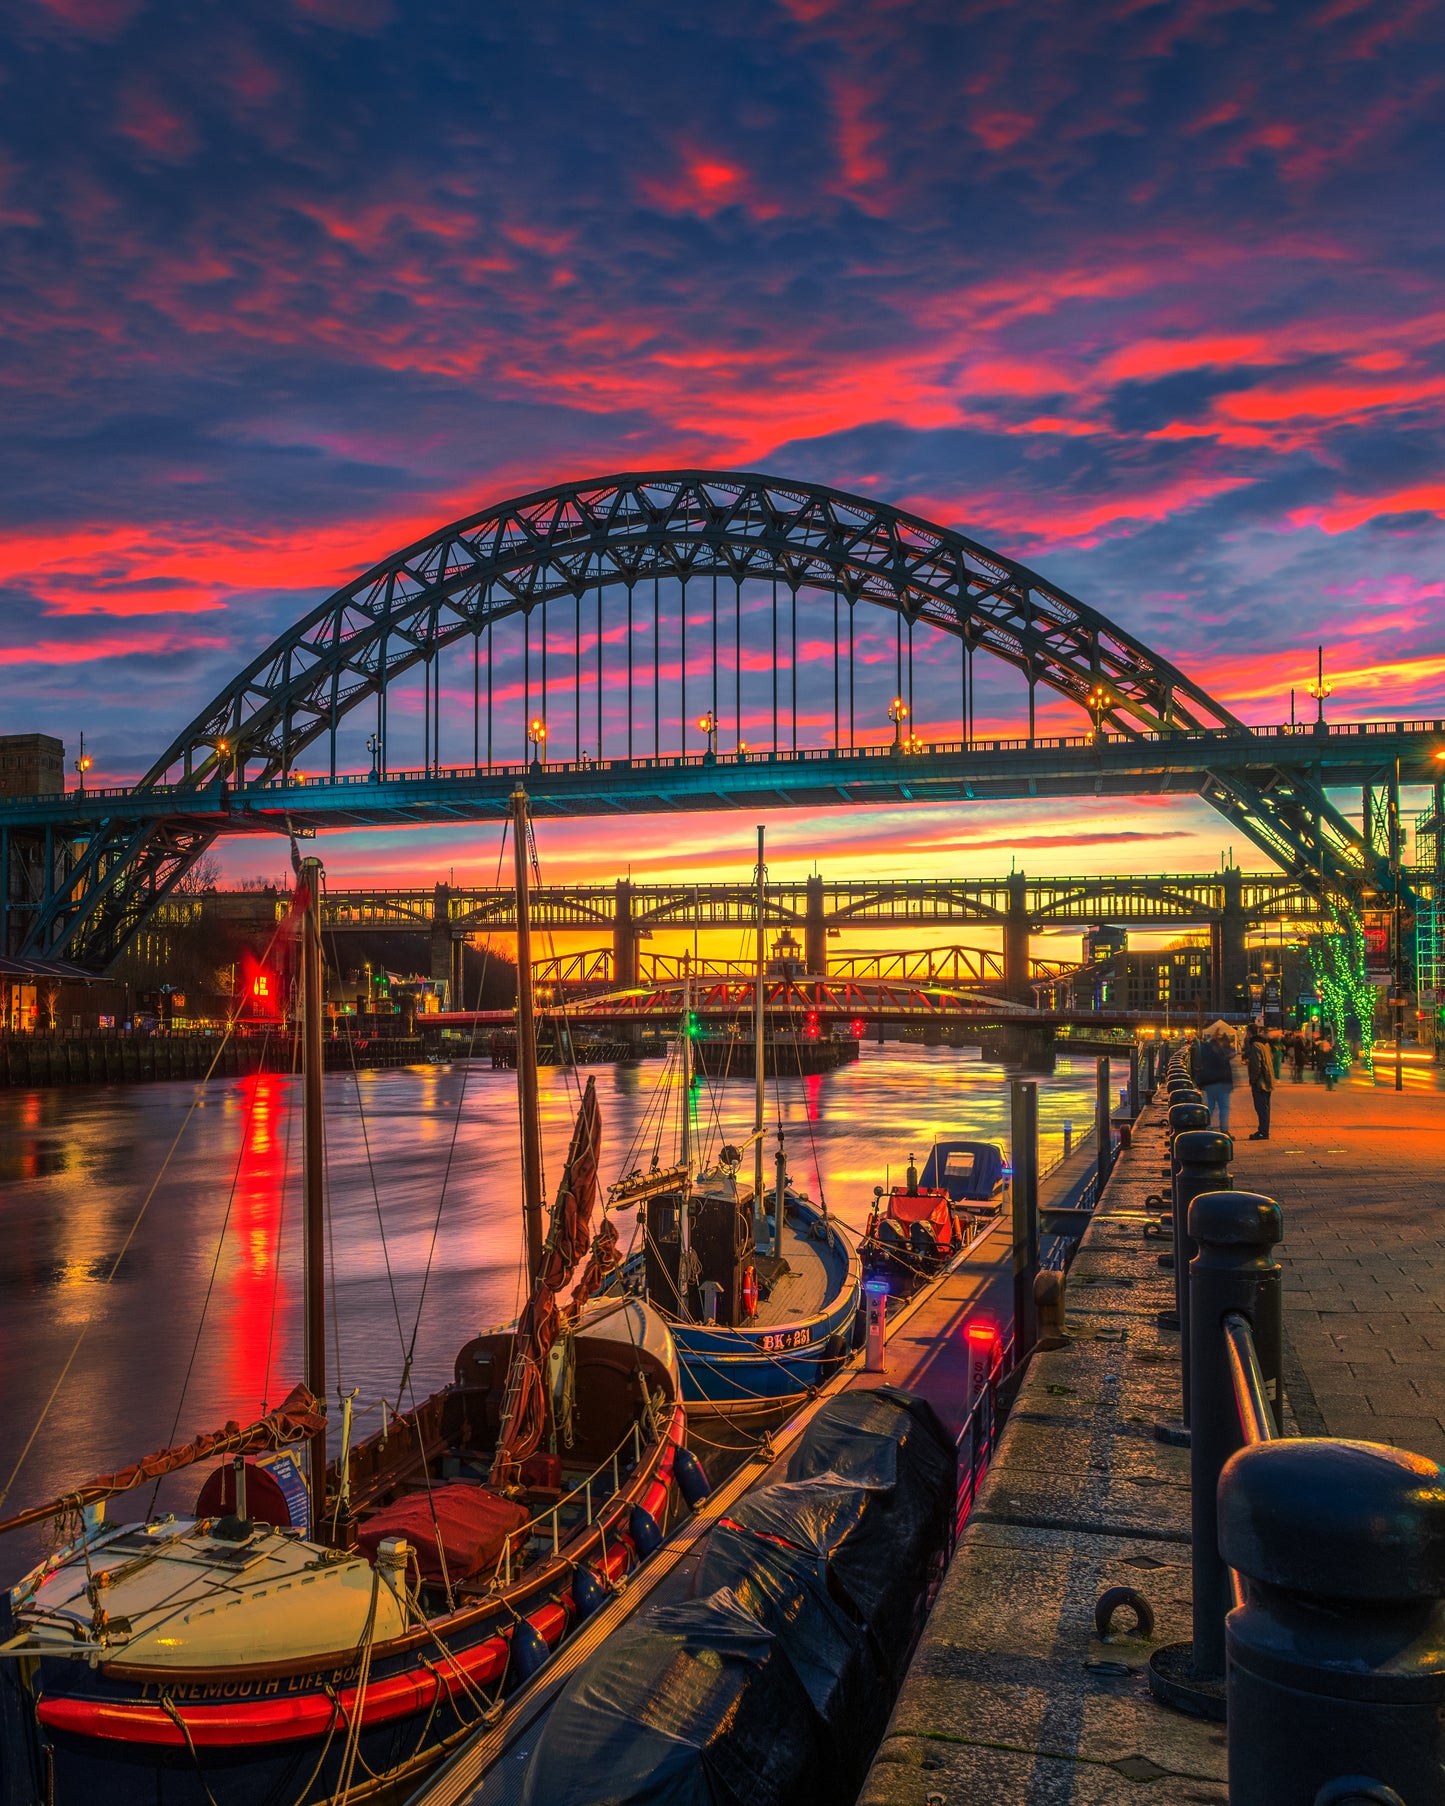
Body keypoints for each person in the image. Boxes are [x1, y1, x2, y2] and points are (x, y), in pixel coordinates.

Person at [1195, 1025, 1236, 1133]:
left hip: (1209, 1082)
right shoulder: (1221, 1050)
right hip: (1222, 1081)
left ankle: (1207, 1127)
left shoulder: (1206, 1047)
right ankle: (1224, 1130)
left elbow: (1199, 1061)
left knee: (1210, 1106)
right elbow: (1232, 1053)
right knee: (1224, 1107)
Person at [1245, 1024, 1274, 1140]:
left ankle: (1263, 1132)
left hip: (1260, 1082)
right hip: (1267, 1080)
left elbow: (1257, 1065)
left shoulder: (1255, 1045)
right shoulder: (1264, 1044)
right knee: (1265, 1107)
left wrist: (1253, 1079)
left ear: (1250, 1033)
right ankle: (1264, 1130)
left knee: (1261, 1107)